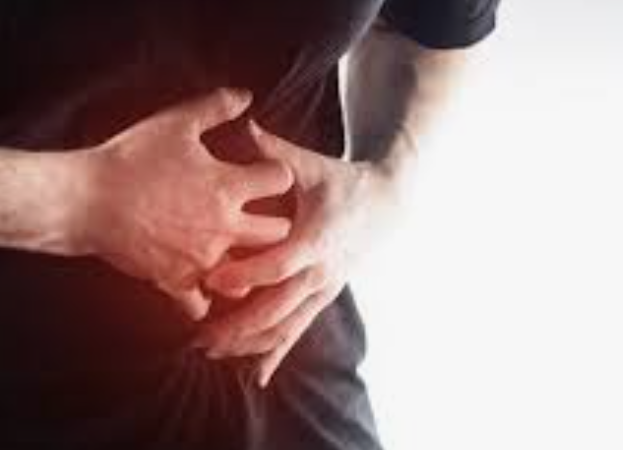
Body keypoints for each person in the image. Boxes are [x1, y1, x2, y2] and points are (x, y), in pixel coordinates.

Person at [0, 1, 500, 449]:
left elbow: (435, 26)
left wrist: (387, 179)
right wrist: (83, 202)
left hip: (284, 375)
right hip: (31, 382)